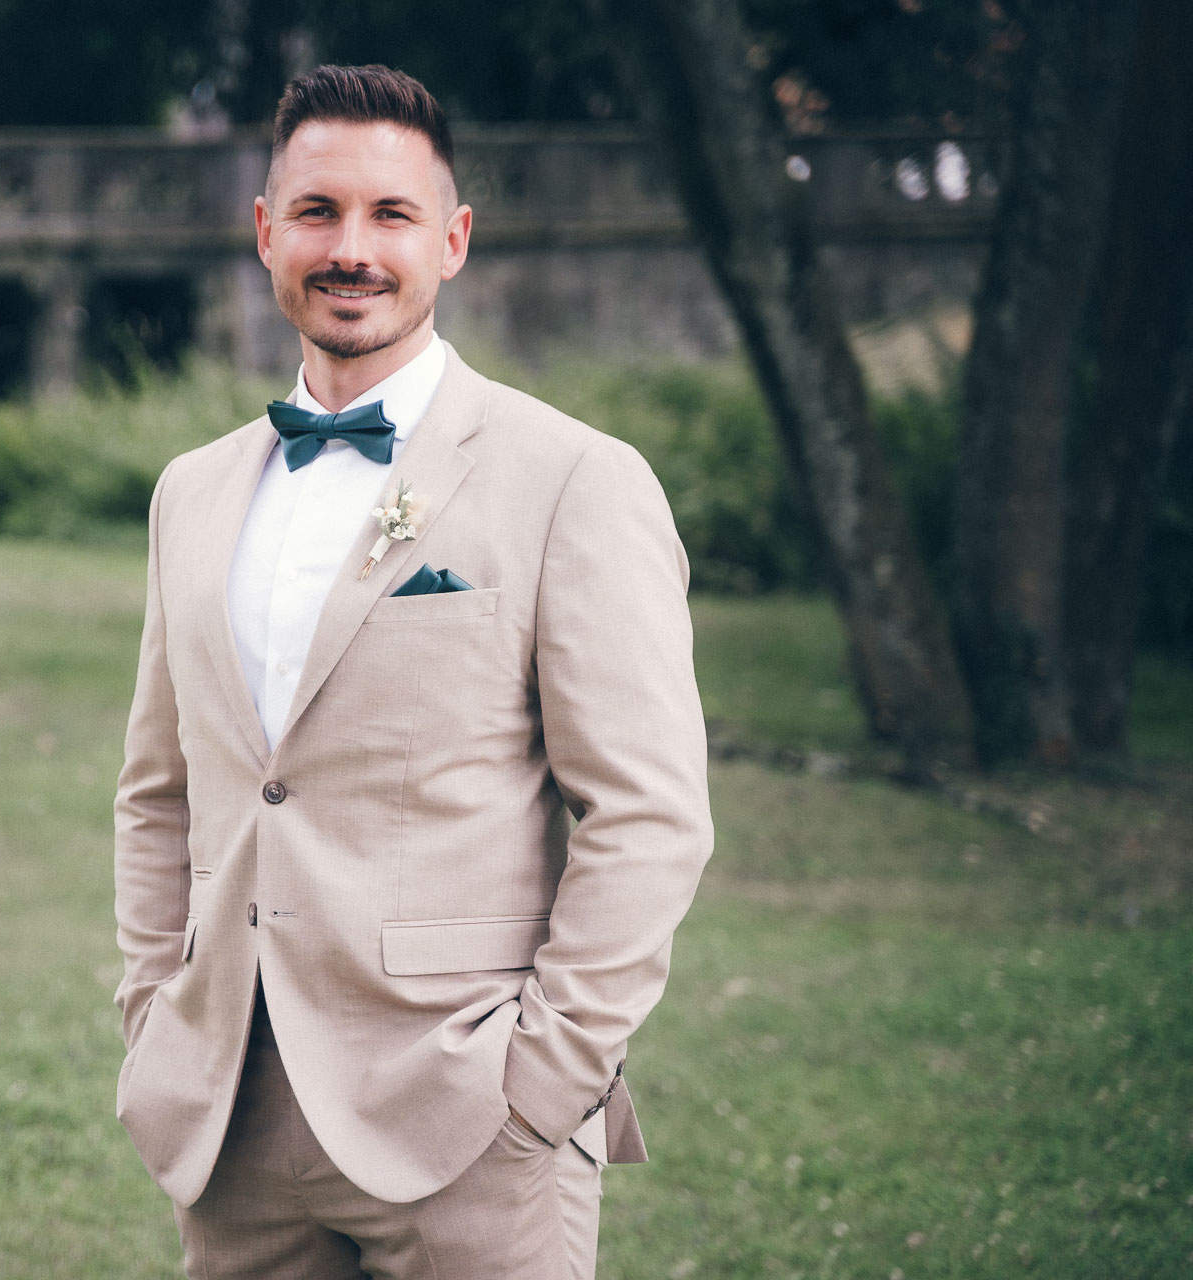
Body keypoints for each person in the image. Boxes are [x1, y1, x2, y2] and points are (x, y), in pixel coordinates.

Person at [112, 63, 714, 1280]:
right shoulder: (193, 490)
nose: (352, 248)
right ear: (266, 232)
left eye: (390, 214)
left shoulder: (574, 479)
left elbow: (648, 813)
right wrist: (151, 1009)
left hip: (471, 1119)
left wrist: (544, 1081)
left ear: (452, 240)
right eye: (318, 211)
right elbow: (158, 788)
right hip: (230, 1115)